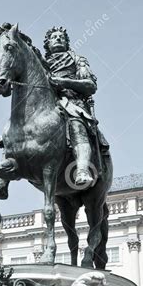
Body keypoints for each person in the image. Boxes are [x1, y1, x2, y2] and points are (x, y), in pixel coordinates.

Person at [43, 26, 110, 188]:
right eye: (54, 37)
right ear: (48, 43)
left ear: (66, 42)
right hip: (46, 107)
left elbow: (90, 85)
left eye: (61, 37)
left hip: (73, 104)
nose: (58, 39)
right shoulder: (41, 64)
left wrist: (65, 82)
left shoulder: (77, 60)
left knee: (76, 124)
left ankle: (82, 169)